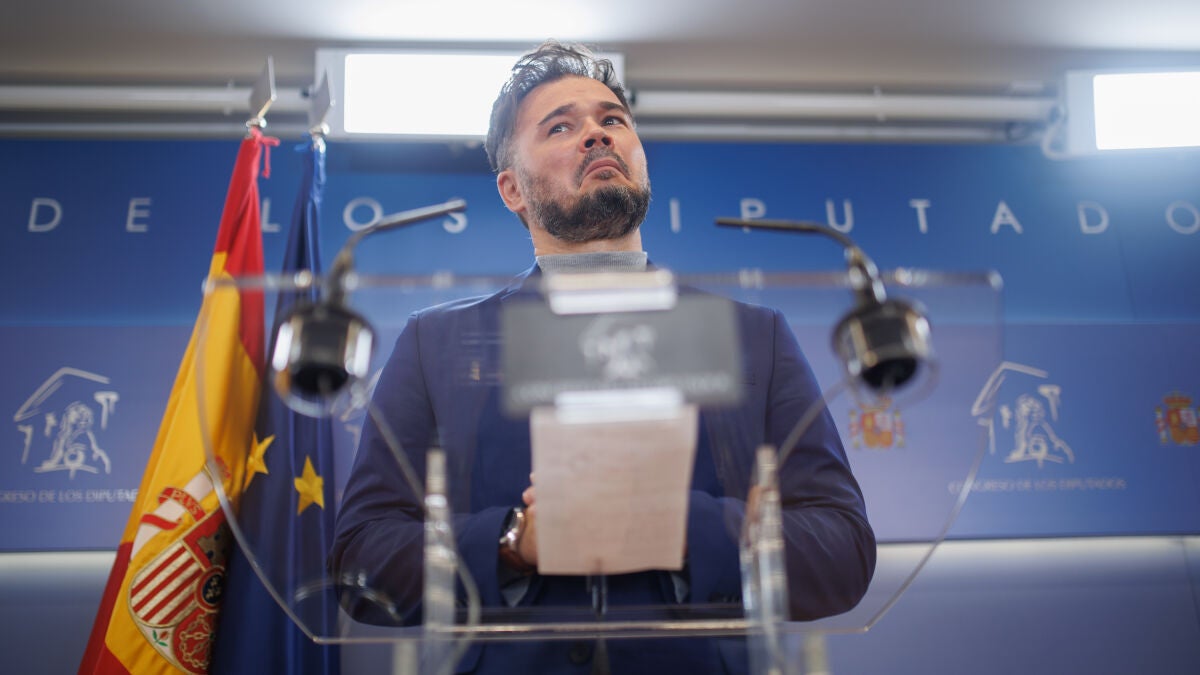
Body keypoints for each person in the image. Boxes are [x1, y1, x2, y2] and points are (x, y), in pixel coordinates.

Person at [330, 40, 875, 675]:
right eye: (561, 127)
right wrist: (512, 541)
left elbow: (842, 551)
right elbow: (361, 558)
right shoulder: (434, 344)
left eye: (612, 119)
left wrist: (683, 525)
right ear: (512, 189)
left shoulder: (755, 336)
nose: (597, 134)